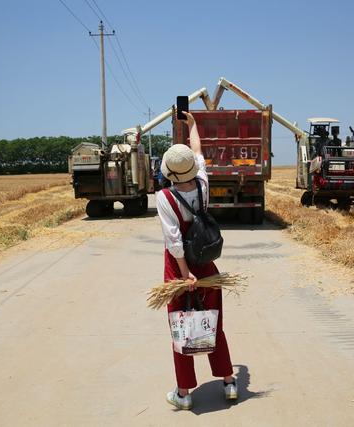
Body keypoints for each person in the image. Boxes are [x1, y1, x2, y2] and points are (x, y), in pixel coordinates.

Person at [156, 111, 236, 410]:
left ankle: (184, 392)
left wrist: (185, 275)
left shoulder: (165, 197)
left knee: (181, 325)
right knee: (213, 323)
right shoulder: (202, 182)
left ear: (169, 173)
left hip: (180, 271)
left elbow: (174, 242)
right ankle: (229, 382)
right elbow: (198, 151)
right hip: (207, 264)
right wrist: (192, 125)